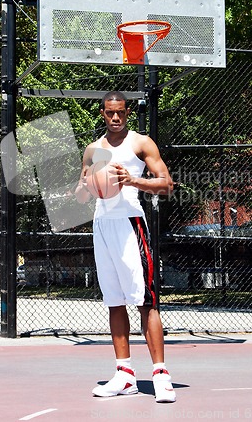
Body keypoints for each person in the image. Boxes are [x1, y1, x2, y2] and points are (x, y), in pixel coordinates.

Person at [75, 90, 176, 403]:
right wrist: (85, 186)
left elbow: (167, 184)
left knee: (145, 300)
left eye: (120, 112)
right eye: (109, 113)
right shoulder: (93, 149)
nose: (115, 118)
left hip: (131, 224)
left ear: (127, 112)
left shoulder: (140, 142)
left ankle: (160, 375)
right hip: (102, 225)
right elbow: (80, 194)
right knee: (114, 300)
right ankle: (125, 375)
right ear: (102, 113)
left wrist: (131, 181)